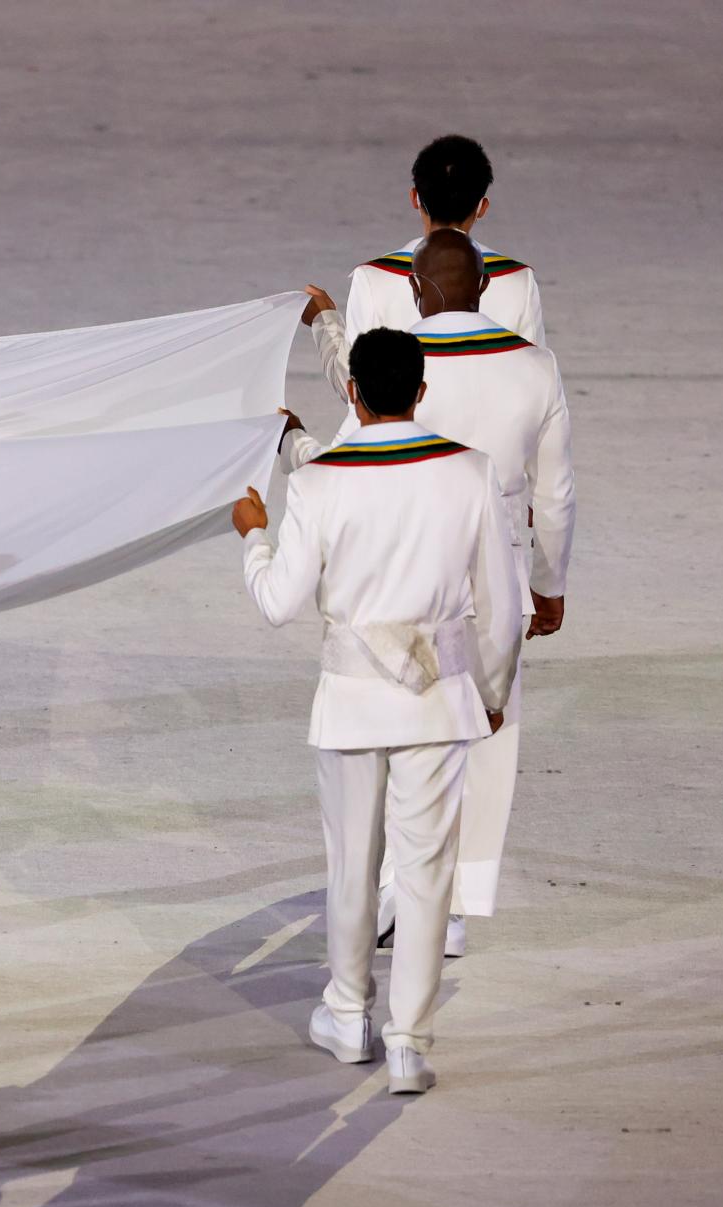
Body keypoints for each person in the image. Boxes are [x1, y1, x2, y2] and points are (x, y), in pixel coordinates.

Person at [232, 329, 522, 1093]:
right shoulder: (471, 471)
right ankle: (408, 1043)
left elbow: (277, 603)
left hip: (353, 706)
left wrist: (253, 533)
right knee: (426, 874)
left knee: (351, 867)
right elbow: (502, 610)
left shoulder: (323, 480)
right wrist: (491, 695)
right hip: (440, 700)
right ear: (421, 390)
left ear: (354, 393)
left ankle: (347, 1013)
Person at [296, 229, 574, 954]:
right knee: (483, 740)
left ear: (416, 288)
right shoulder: (535, 367)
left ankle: (395, 892)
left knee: (397, 732)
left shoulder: (399, 354)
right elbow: (558, 490)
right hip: (498, 569)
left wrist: (327, 333)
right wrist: (550, 582)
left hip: (408, 571)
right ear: (488, 285)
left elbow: (348, 431)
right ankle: (446, 906)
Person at [307, 134, 546, 410]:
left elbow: (359, 391)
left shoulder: (374, 279)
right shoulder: (519, 281)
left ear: (415, 198)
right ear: (482, 207)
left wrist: (324, 322)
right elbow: (534, 386)